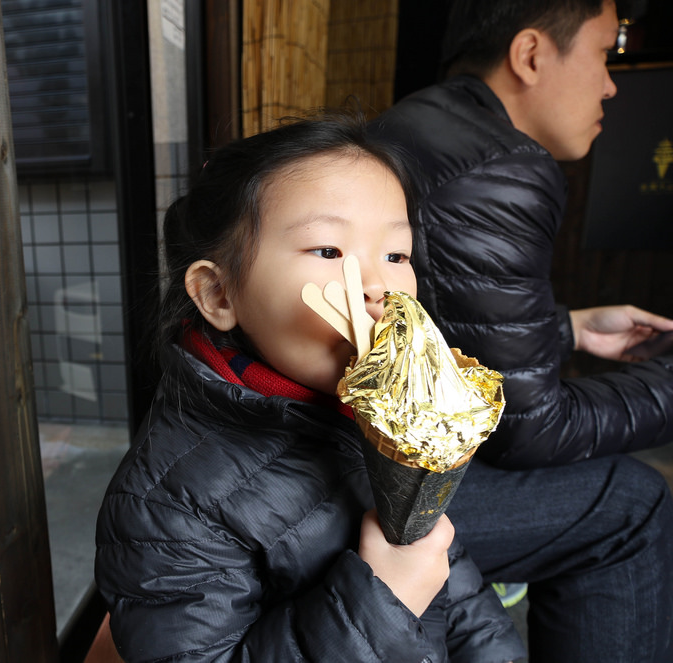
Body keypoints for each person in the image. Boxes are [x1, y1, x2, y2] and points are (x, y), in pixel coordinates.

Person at [94, 113, 528, 662]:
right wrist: (386, 598)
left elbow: (459, 599)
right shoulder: (168, 508)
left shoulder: (377, 417)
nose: (375, 287)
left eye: (396, 255)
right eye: (328, 251)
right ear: (218, 295)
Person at [370, 1, 673, 659]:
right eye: (601, 53)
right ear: (531, 54)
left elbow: (443, 334)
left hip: (354, 448)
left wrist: (564, 329)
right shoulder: (498, 164)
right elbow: (529, 431)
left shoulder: (420, 118)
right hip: (367, 490)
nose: (612, 82)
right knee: (633, 502)